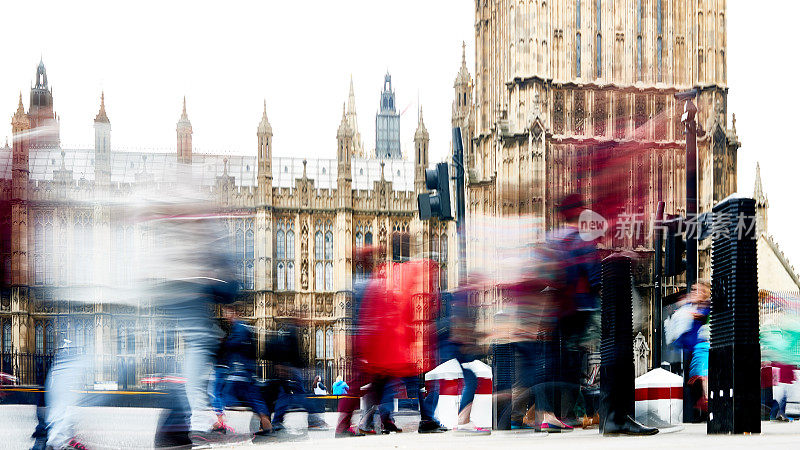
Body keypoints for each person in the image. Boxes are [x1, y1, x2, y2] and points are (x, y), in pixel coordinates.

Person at [212, 306, 274, 437]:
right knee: (252, 398)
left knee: (223, 394)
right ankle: (266, 423)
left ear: (235, 312)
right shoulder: (241, 327)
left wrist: (225, 342)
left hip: (241, 369)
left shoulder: (240, 327)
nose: (226, 316)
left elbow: (236, 345)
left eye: (227, 312)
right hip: (245, 369)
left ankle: (221, 422)